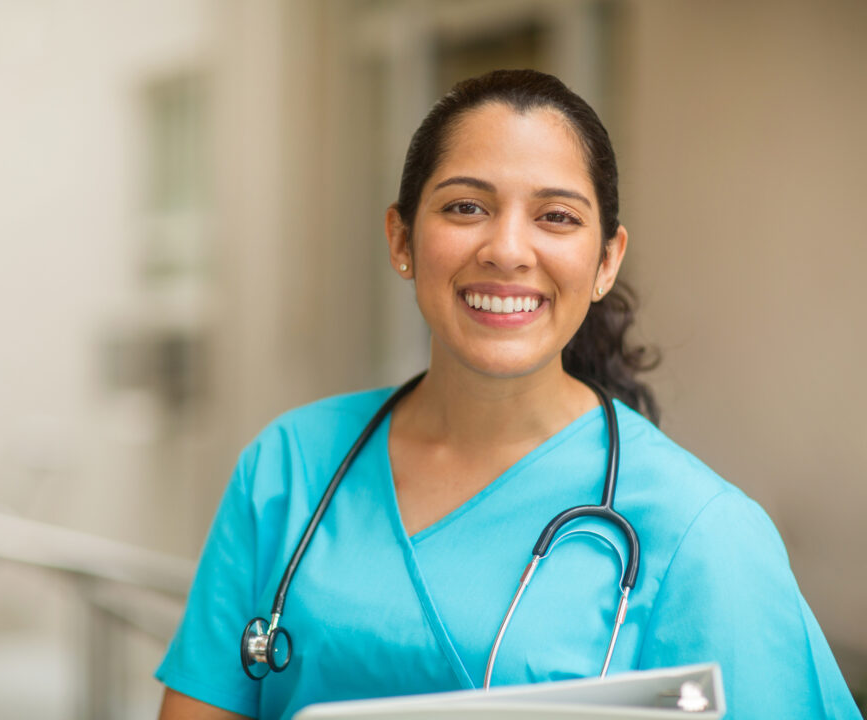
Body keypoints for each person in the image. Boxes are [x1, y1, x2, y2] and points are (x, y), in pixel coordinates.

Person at [155, 70, 860, 720]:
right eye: (466, 207)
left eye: (556, 217)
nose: (507, 249)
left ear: (605, 261)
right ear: (401, 238)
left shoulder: (702, 534)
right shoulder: (288, 467)